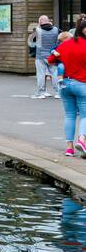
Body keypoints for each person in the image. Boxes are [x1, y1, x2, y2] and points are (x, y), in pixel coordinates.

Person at [49, 17, 86, 156]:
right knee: (85, 115)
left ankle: (69, 148)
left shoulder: (65, 44)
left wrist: (64, 62)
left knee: (69, 115)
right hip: (82, 83)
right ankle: (82, 139)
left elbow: (51, 60)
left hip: (65, 84)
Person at [35, 14, 62, 99]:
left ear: (40, 22)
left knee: (41, 74)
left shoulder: (37, 30)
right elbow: (62, 39)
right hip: (53, 55)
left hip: (40, 56)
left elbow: (31, 43)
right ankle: (58, 92)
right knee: (54, 74)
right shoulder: (56, 30)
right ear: (49, 21)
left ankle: (41, 92)